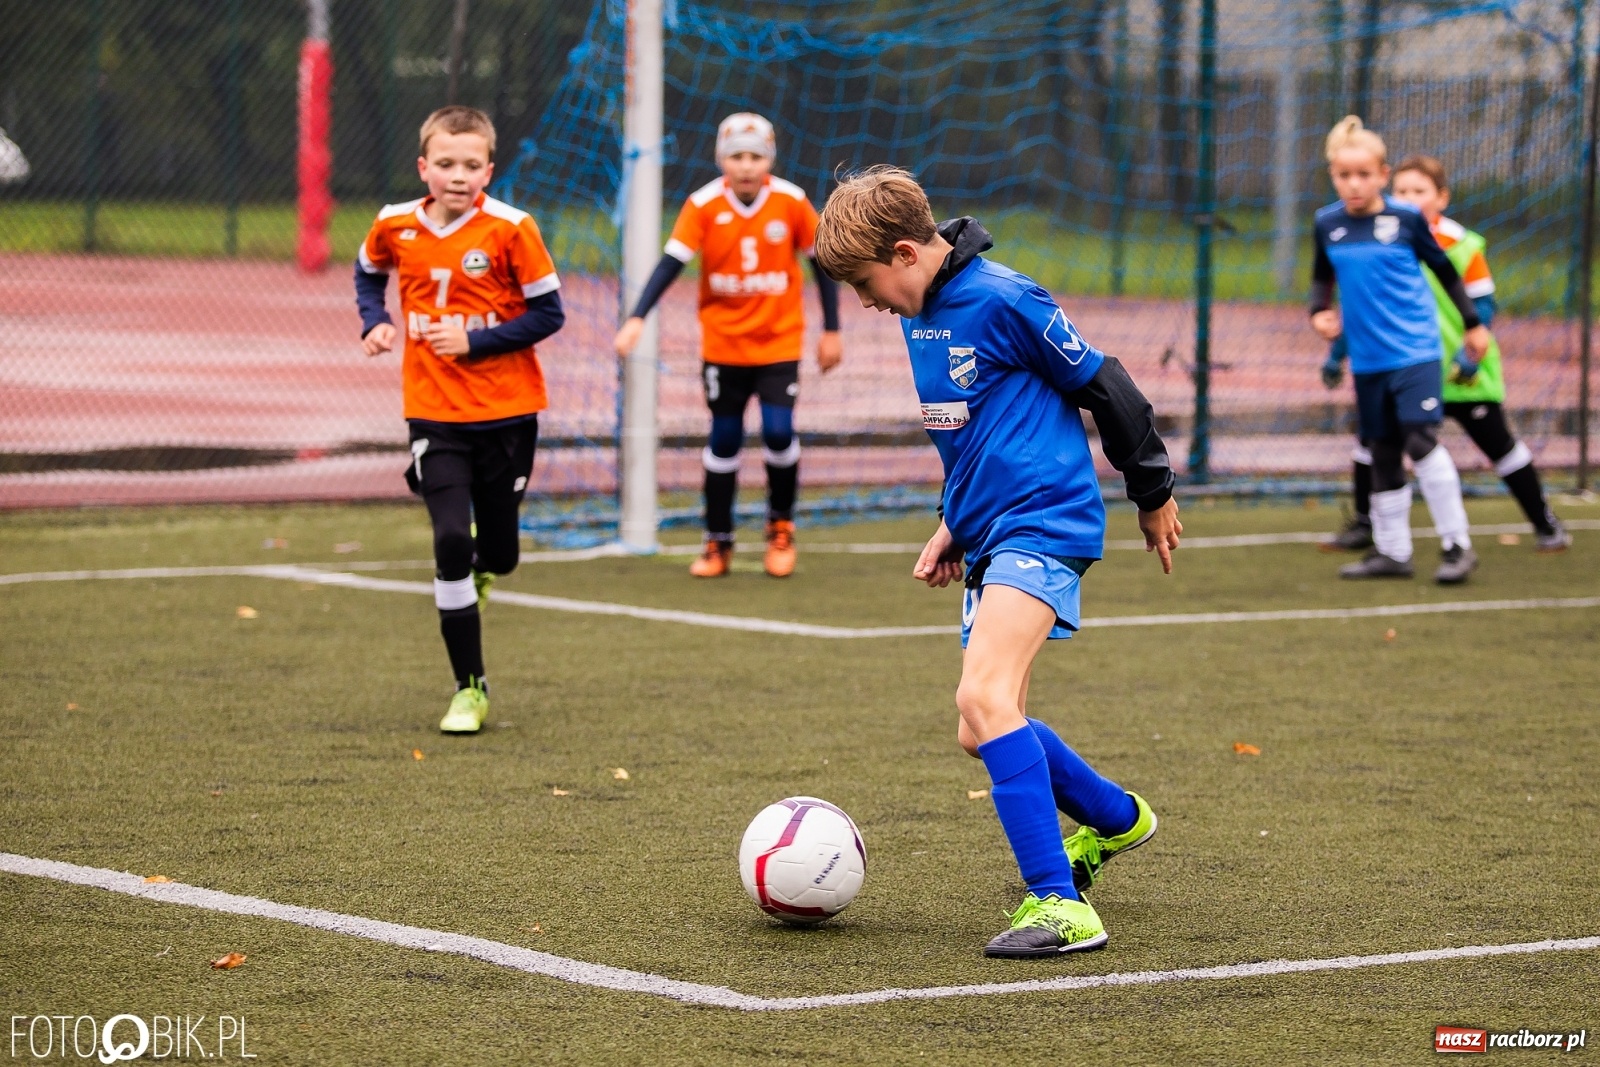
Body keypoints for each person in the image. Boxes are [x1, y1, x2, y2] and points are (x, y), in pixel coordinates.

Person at [813, 166, 1180, 959]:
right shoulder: (920, 309)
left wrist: (1152, 491)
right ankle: (1116, 819)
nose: (868, 303)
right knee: (978, 728)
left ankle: (1062, 905)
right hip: (991, 532)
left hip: (1044, 523)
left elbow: (1107, 384)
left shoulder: (1007, 299)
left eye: (867, 285)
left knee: (983, 695)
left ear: (905, 253)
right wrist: (953, 521)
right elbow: (973, 430)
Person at [354, 105, 565, 734]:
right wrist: (375, 321)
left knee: (499, 553)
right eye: (445, 163)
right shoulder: (394, 224)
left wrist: (476, 342)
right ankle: (469, 689)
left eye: (471, 165)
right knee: (450, 541)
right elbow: (367, 272)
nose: (458, 175)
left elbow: (549, 314)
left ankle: (484, 569)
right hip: (433, 413)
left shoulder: (511, 228)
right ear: (424, 167)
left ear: (488, 171)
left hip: (508, 412)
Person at [613, 113, 842, 578]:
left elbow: (822, 264)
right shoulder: (702, 205)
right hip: (723, 346)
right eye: (737, 156)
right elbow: (670, 264)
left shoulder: (791, 201)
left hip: (778, 343)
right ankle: (717, 541)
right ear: (721, 160)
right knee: (724, 438)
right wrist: (636, 317)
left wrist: (832, 330)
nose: (746, 165)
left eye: (755, 156)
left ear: (769, 160)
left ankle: (781, 528)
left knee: (778, 432)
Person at [1321, 154, 1569, 553]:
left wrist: (1469, 356)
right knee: (1372, 443)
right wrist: (1338, 353)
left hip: (1460, 372)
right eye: (1402, 190)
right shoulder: (1377, 238)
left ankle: (1544, 522)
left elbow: (1482, 307)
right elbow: (1363, 309)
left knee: (1500, 446)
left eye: (1419, 191)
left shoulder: (1462, 244)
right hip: (1405, 366)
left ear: (1442, 198)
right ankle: (1367, 524)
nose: (1409, 198)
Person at [1310, 117, 1489, 584]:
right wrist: (1319, 313)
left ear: (1382, 175)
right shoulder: (1327, 223)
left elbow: (1445, 271)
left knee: (1419, 440)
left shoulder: (1406, 219)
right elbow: (1321, 279)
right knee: (1383, 450)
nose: (1354, 183)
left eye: (1363, 174)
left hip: (1415, 353)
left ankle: (1457, 546)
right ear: (1333, 176)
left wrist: (1473, 324)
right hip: (1368, 359)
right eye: (1344, 175)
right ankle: (1392, 552)